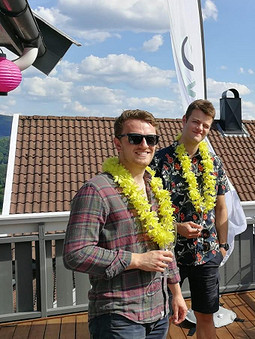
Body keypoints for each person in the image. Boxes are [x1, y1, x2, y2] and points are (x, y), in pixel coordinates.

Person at [63, 109, 187, 338]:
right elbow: (75, 254)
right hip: (118, 315)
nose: (144, 144)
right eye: (134, 138)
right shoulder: (97, 190)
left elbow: (166, 249)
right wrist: (137, 260)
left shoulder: (156, 189)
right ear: (118, 144)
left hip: (159, 313)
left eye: (150, 139)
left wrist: (176, 293)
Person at [151, 99, 229, 339]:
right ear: (184, 121)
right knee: (161, 316)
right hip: (168, 254)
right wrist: (176, 228)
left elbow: (221, 207)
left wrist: (223, 246)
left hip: (206, 254)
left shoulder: (214, 163)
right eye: (196, 122)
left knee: (206, 316)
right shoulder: (159, 160)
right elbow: (147, 209)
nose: (200, 128)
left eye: (206, 125)